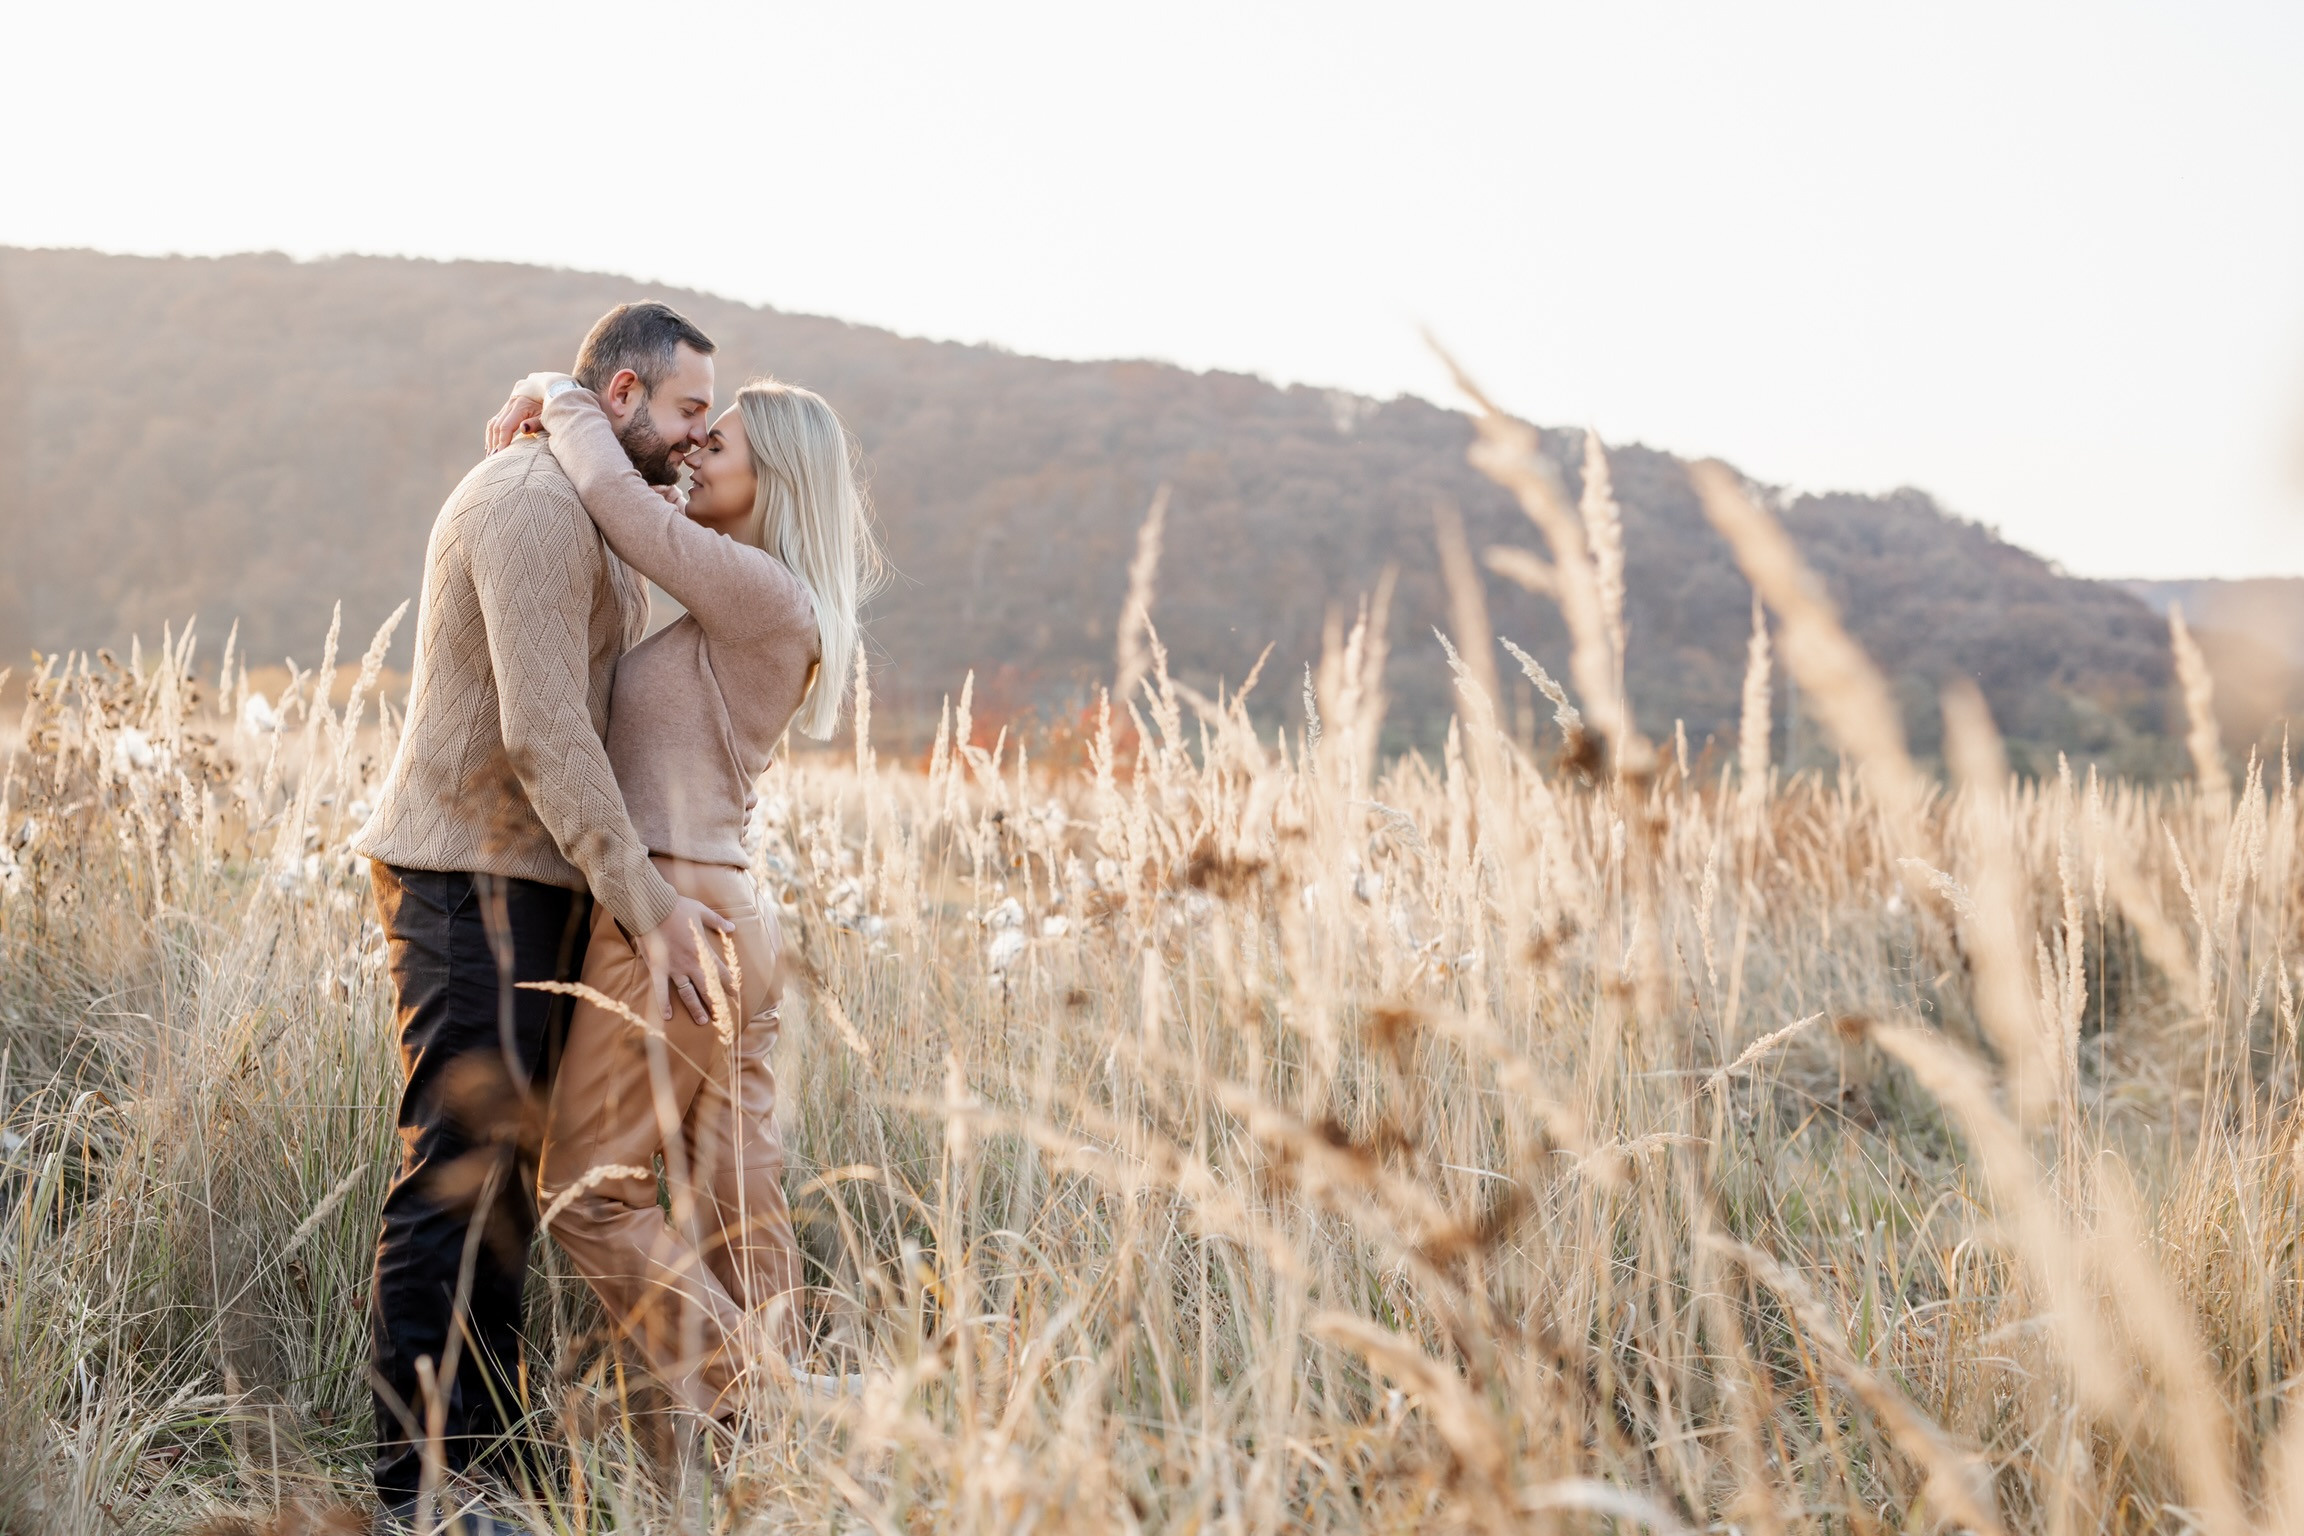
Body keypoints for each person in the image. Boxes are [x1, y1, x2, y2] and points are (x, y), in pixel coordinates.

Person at [352, 302, 742, 1531]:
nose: (697, 437)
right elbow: (541, 730)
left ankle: (488, 1466)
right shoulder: (528, 507)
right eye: (687, 412)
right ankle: (420, 1490)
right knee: (455, 1174)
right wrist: (649, 900)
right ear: (621, 396)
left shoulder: (587, 497)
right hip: (466, 871)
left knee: (507, 1179)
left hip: (529, 877)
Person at [480, 363, 880, 1431]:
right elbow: (639, 532)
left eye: (720, 444)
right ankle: (784, 1471)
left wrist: (555, 394)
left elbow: (614, 505)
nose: (695, 452)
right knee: (735, 1195)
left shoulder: (761, 594)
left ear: (778, 479)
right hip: (732, 912)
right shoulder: (759, 596)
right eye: (698, 438)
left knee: (589, 1193)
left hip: (674, 908)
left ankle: (778, 1403)